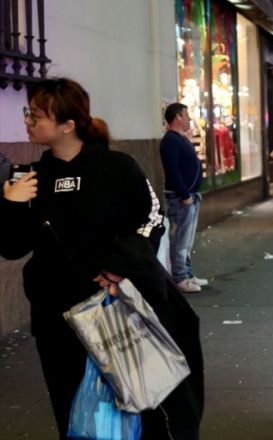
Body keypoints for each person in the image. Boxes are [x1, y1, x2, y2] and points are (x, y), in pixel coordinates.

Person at [0, 78, 203, 439]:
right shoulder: (29, 177)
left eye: (36, 115)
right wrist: (11, 204)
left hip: (116, 309)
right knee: (72, 409)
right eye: (28, 113)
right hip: (56, 316)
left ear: (68, 124)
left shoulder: (116, 168)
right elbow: (12, 246)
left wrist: (117, 267)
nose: (28, 122)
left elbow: (152, 220)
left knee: (139, 402)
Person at [160, 103, 207, 293]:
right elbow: (172, 171)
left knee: (186, 240)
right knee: (181, 239)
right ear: (178, 117)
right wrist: (185, 194)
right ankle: (180, 277)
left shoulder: (179, 139)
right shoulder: (170, 141)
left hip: (190, 196)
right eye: (186, 115)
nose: (189, 118)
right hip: (182, 198)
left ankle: (187, 274)